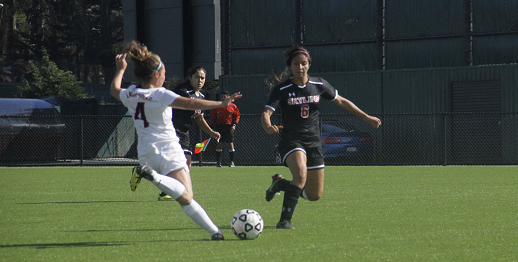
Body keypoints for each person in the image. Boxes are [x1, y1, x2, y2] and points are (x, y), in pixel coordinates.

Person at [110, 40, 241, 240]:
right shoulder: (160, 94)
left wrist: (120, 70)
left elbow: (114, 90)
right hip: (169, 150)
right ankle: (154, 177)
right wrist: (220, 103)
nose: (165, 76)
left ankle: (215, 233)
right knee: (187, 196)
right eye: (163, 72)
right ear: (156, 74)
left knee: (185, 197)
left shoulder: (131, 94)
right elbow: (190, 102)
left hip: (146, 153)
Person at [261, 45, 381, 229]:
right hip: (292, 141)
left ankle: (280, 184)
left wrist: (366, 117)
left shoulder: (319, 85)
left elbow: (341, 101)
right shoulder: (282, 89)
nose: (300, 67)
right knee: (300, 176)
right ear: (290, 66)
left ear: (309, 65)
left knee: (313, 195)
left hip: (314, 143)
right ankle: (285, 220)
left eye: (304, 63)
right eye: (296, 63)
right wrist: (268, 126)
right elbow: (267, 113)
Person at [154, 67, 221, 201]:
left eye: (202, 78)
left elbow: (199, 118)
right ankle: (169, 191)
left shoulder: (200, 96)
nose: (200, 80)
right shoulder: (184, 91)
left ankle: (144, 172)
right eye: (196, 77)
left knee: (184, 162)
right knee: (184, 161)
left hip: (183, 131)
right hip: (171, 129)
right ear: (189, 77)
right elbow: (191, 104)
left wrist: (212, 132)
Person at [210, 90, 240, 167]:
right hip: (219, 127)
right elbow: (213, 117)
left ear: (228, 97)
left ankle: (232, 162)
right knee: (219, 144)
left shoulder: (233, 106)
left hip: (229, 128)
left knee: (230, 144)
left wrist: (234, 125)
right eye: (222, 96)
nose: (223, 97)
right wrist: (212, 128)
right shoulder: (217, 106)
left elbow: (237, 116)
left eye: (225, 96)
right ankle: (218, 162)